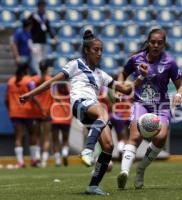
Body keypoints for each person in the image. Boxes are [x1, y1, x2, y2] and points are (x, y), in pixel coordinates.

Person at [20, 29, 132, 195]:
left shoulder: (101, 74)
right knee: (102, 110)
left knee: (109, 145)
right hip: (79, 104)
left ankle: (93, 186)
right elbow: (52, 81)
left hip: (92, 110)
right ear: (86, 50)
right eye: (96, 50)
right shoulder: (75, 64)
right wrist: (30, 94)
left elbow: (124, 88)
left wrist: (140, 78)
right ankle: (87, 150)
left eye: (101, 50)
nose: (99, 53)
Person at [116, 28, 182, 190]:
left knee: (161, 137)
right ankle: (124, 172)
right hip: (140, 103)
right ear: (148, 42)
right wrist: (119, 87)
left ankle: (141, 170)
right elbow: (123, 74)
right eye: (153, 42)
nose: (155, 45)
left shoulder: (170, 62)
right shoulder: (136, 59)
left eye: (159, 43)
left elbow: (180, 86)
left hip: (161, 107)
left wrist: (179, 95)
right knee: (134, 135)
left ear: (164, 44)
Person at [5, 63, 41, 168]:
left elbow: (6, 99)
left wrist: (10, 110)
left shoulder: (10, 82)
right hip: (28, 112)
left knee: (18, 137)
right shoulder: (29, 81)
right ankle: (34, 160)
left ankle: (20, 162)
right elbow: (34, 96)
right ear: (26, 70)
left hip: (15, 113)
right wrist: (41, 109)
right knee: (32, 134)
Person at [31, 59, 53, 167]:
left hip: (36, 112)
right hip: (47, 111)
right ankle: (44, 160)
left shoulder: (33, 79)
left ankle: (37, 157)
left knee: (36, 135)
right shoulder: (50, 80)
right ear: (47, 68)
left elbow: (31, 94)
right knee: (46, 137)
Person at [29, 0, 57, 75]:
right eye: (40, 6)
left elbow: (48, 28)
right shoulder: (33, 16)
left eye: (43, 6)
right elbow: (28, 28)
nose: (42, 7)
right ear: (38, 6)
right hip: (35, 42)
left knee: (44, 59)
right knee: (37, 60)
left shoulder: (45, 17)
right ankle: (38, 75)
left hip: (43, 42)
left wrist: (53, 36)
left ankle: (43, 74)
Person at [50, 82, 72, 167]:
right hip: (66, 119)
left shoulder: (54, 94)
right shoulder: (69, 95)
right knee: (65, 139)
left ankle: (57, 160)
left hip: (55, 118)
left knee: (55, 141)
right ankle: (65, 153)